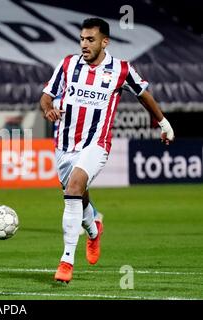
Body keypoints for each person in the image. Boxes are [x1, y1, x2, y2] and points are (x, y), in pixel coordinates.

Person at [40, 18, 174, 283]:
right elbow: (46, 95)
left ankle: (66, 262)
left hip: (96, 143)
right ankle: (93, 229)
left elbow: (144, 95)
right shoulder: (68, 64)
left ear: (105, 42)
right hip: (65, 145)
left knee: (75, 188)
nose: (84, 45)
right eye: (81, 39)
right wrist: (48, 109)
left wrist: (163, 122)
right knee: (78, 195)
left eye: (90, 40)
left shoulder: (121, 70)